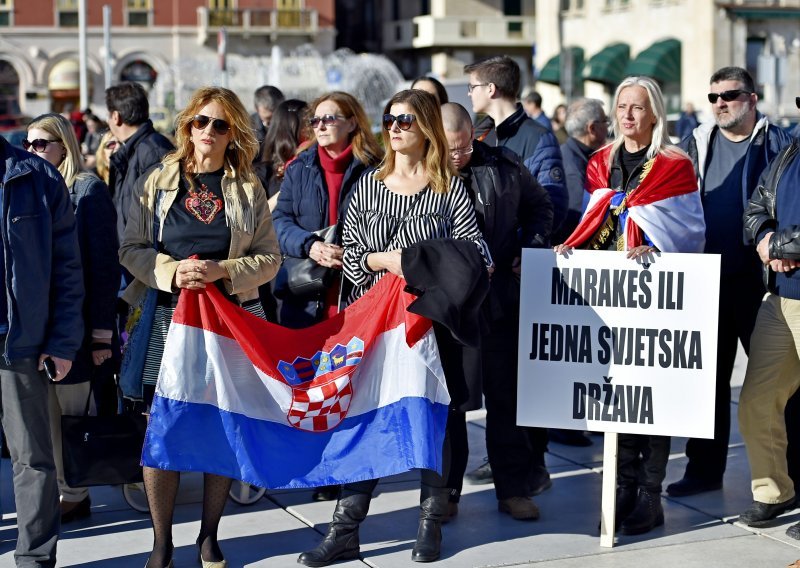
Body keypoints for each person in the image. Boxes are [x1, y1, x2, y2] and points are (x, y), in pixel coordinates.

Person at [297, 89, 491, 566]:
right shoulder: (366, 186)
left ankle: (430, 524)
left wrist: (410, 262)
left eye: (406, 119)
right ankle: (345, 529)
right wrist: (380, 262)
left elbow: (478, 256)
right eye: (390, 119)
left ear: (425, 126)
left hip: (432, 324)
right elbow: (354, 261)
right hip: (378, 325)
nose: (396, 126)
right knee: (367, 419)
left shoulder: (448, 187)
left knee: (432, 421)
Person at [119, 86, 281, 568]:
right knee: (159, 429)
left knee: (221, 425)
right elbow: (130, 248)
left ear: (233, 134)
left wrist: (223, 270)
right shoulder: (157, 180)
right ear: (187, 125)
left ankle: (209, 537)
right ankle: (161, 542)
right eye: (200, 122)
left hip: (229, 321)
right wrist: (172, 270)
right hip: (167, 318)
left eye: (220, 125)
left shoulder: (247, 187)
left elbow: (271, 258)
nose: (208, 132)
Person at [554, 76, 705, 535]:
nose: (628, 115)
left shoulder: (675, 164)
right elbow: (594, 217)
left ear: (655, 113)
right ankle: (620, 486)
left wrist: (654, 244)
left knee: (652, 394)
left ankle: (649, 495)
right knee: (617, 393)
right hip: (610, 298)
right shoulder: (600, 161)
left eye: (637, 107)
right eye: (622, 106)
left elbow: (689, 229)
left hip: (654, 298)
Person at [667, 66, 794, 498]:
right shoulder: (696, 143)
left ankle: (787, 476)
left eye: (730, 94)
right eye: (714, 96)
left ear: (752, 98)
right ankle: (703, 470)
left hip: (760, 285)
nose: (720, 103)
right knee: (706, 382)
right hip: (705, 281)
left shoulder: (777, 144)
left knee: (775, 386)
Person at [441, 102, 553, 520]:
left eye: (463, 147)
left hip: (501, 297)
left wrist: (534, 243)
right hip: (450, 307)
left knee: (506, 400)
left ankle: (512, 488)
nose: (456, 156)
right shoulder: (423, 170)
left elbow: (540, 207)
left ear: (475, 134)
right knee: (453, 403)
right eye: (449, 149)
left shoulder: (504, 165)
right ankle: (447, 492)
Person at [464, 53, 568, 494]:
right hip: (485, 281)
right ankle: (506, 458)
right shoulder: (479, 134)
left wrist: (529, 246)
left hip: (520, 275)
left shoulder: (536, 138)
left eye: (472, 87)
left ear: (491, 89)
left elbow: (550, 201)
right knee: (499, 380)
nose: (469, 95)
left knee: (527, 376)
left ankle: (534, 465)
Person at [25, 113, 120, 523]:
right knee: (43, 418)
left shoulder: (87, 191)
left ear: (64, 145)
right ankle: (60, 489)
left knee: (72, 415)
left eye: (41, 142)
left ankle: (75, 491)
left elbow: (103, 268)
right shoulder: (32, 190)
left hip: (77, 328)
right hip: (38, 327)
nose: (33, 151)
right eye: (28, 144)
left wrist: (101, 334)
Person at [1, 127, 84, 567]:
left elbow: (68, 271)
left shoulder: (36, 176)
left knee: (32, 457)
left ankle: (33, 558)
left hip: (20, 344)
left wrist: (63, 341)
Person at [737, 95, 800, 537]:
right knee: (757, 400)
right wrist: (764, 241)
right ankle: (774, 491)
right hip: (779, 298)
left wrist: (780, 247)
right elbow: (756, 210)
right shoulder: (790, 153)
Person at [272, 91, 383, 329]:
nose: (320, 126)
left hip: (359, 291)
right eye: (315, 121)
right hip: (306, 296)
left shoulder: (376, 171)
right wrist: (309, 245)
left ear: (352, 123)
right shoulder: (299, 167)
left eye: (329, 119)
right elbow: (278, 222)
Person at [106, 81, 174, 241]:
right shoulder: (131, 149)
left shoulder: (153, 151)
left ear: (116, 117)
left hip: (147, 259)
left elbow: (164, 214)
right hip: (132, 256)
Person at [555, 98, 609, 245]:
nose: (608, 127)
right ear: (592, 128)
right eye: (605, 121)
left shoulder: (581, 155)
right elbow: (579, 217)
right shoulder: (573, 166)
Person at [254, 98, 310, 206]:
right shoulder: (264, 172)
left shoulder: (314, 163)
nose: (315, 128)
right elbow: (258, 214)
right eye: (308, 123)